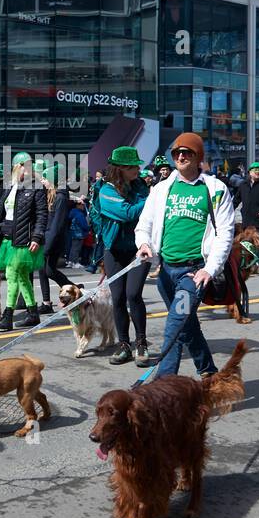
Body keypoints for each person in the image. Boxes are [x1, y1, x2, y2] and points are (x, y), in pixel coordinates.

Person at [134, 132, 236, 380]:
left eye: (187, 152)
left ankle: (163, 387)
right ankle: (210, 373)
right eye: (177, 152)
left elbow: (225, 233)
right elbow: (143, 225)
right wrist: (144, 244)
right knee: (186, 325)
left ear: (198, 157)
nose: (181, 156)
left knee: (173, 327)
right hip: (166, 273)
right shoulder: (161, 189)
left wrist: (209, 270)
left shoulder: (215, 189)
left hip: (193, 274)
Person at [0, 152, 47, 331]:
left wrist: (36, 237)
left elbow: (42, 215)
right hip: (9, 238)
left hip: (25, 239)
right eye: (24, 165)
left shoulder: (36, 188)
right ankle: (33, 313)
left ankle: (8, 316)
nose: (28, 168)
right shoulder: (11, 186)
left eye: (29, 165)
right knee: (21, 277)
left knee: (13, 275)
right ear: (16, 167)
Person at [95, 147, 152, 366]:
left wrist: (149, 199)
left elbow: (145, 213)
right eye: (133, 166)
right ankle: (124, 345)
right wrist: (151, 200)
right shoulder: (105, 190)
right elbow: (127, 212)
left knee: (133, 294)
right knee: (117, 298)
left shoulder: (140, 186)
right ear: (120, 169)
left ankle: (141, 344)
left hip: (139, 248)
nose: (138, 169)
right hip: (115, 250)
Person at [34, 162, 74, 315]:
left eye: (45, 178)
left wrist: (47, 247)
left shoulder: (61, 197)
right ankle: (46, 302)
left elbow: (56, 226)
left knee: (50, 271)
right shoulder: (51, 193)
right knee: (42, 270)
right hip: (47, 238)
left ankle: (75, 290)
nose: (42, 181)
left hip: (54, 241)